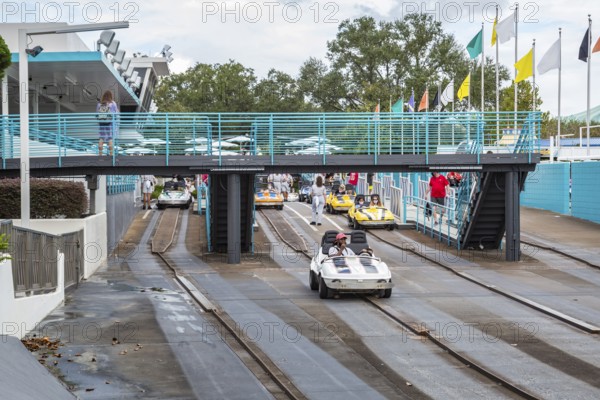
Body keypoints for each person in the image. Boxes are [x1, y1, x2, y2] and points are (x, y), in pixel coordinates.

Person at [96, 90, 118, 156]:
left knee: (101, 138)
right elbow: (116, 114)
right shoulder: (113, 103)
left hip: (101, 124)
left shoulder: (99, 104)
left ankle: (100, 155)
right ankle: (111, 155)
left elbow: (97, 114)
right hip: (110, 124)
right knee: (110, 138)